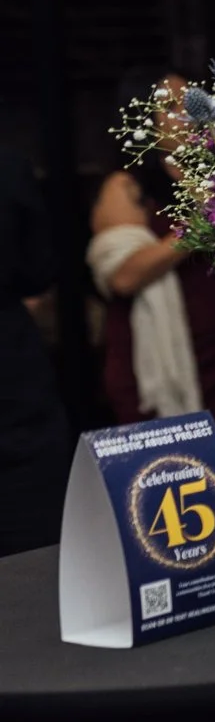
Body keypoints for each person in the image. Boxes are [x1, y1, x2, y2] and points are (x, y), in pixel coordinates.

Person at [88, 71, 215, 455]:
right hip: (167, 359)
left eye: (191, 100)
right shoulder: (127, 185)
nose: (184, 113)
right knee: (172, 475)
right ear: (142, 119)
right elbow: (124, 276)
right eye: (169, 106)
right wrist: (204, 222)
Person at [0, 146, 71, 557]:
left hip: (17, 402)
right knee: (35, 564)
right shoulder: (9, 166)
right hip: (15, 389)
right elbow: (38, 272)